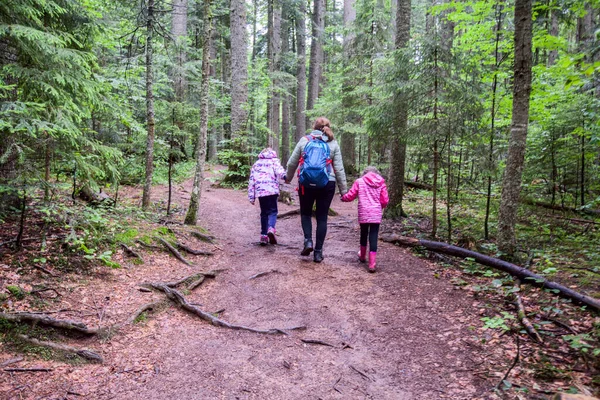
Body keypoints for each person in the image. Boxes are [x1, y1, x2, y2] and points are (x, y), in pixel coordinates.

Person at [285, 117, 347, 263]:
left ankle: (308, 241)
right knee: (322, 217)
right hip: (327, 183)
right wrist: (344, 191)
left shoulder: (305, 140)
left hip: (305, 183)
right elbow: (339, 169)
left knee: (306, 213)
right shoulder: (332, 143)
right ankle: (318, 253)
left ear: (314, 127)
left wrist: (288, 178)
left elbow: (292, 162)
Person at [341, 166, 389, 272]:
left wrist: (343, 198)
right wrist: (379, 206)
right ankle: (372, 264)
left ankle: (362, 256)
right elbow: (384, 200)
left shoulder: (360, 181)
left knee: (363, 234)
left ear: (365, 173)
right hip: (376, 213)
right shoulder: (381, 182)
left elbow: (351, 195)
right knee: (373, 236)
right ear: (377, 173)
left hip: (364, 213)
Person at [248, 148, 286, 245]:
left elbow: (252, 180)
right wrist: (286, 177)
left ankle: (263, 236)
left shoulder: (256, 164)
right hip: (272, 190)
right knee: (273, 211)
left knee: (264, 213)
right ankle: (271, 228)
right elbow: (280, 172)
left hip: (261, 192)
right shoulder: (274, 161)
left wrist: (251, 196)